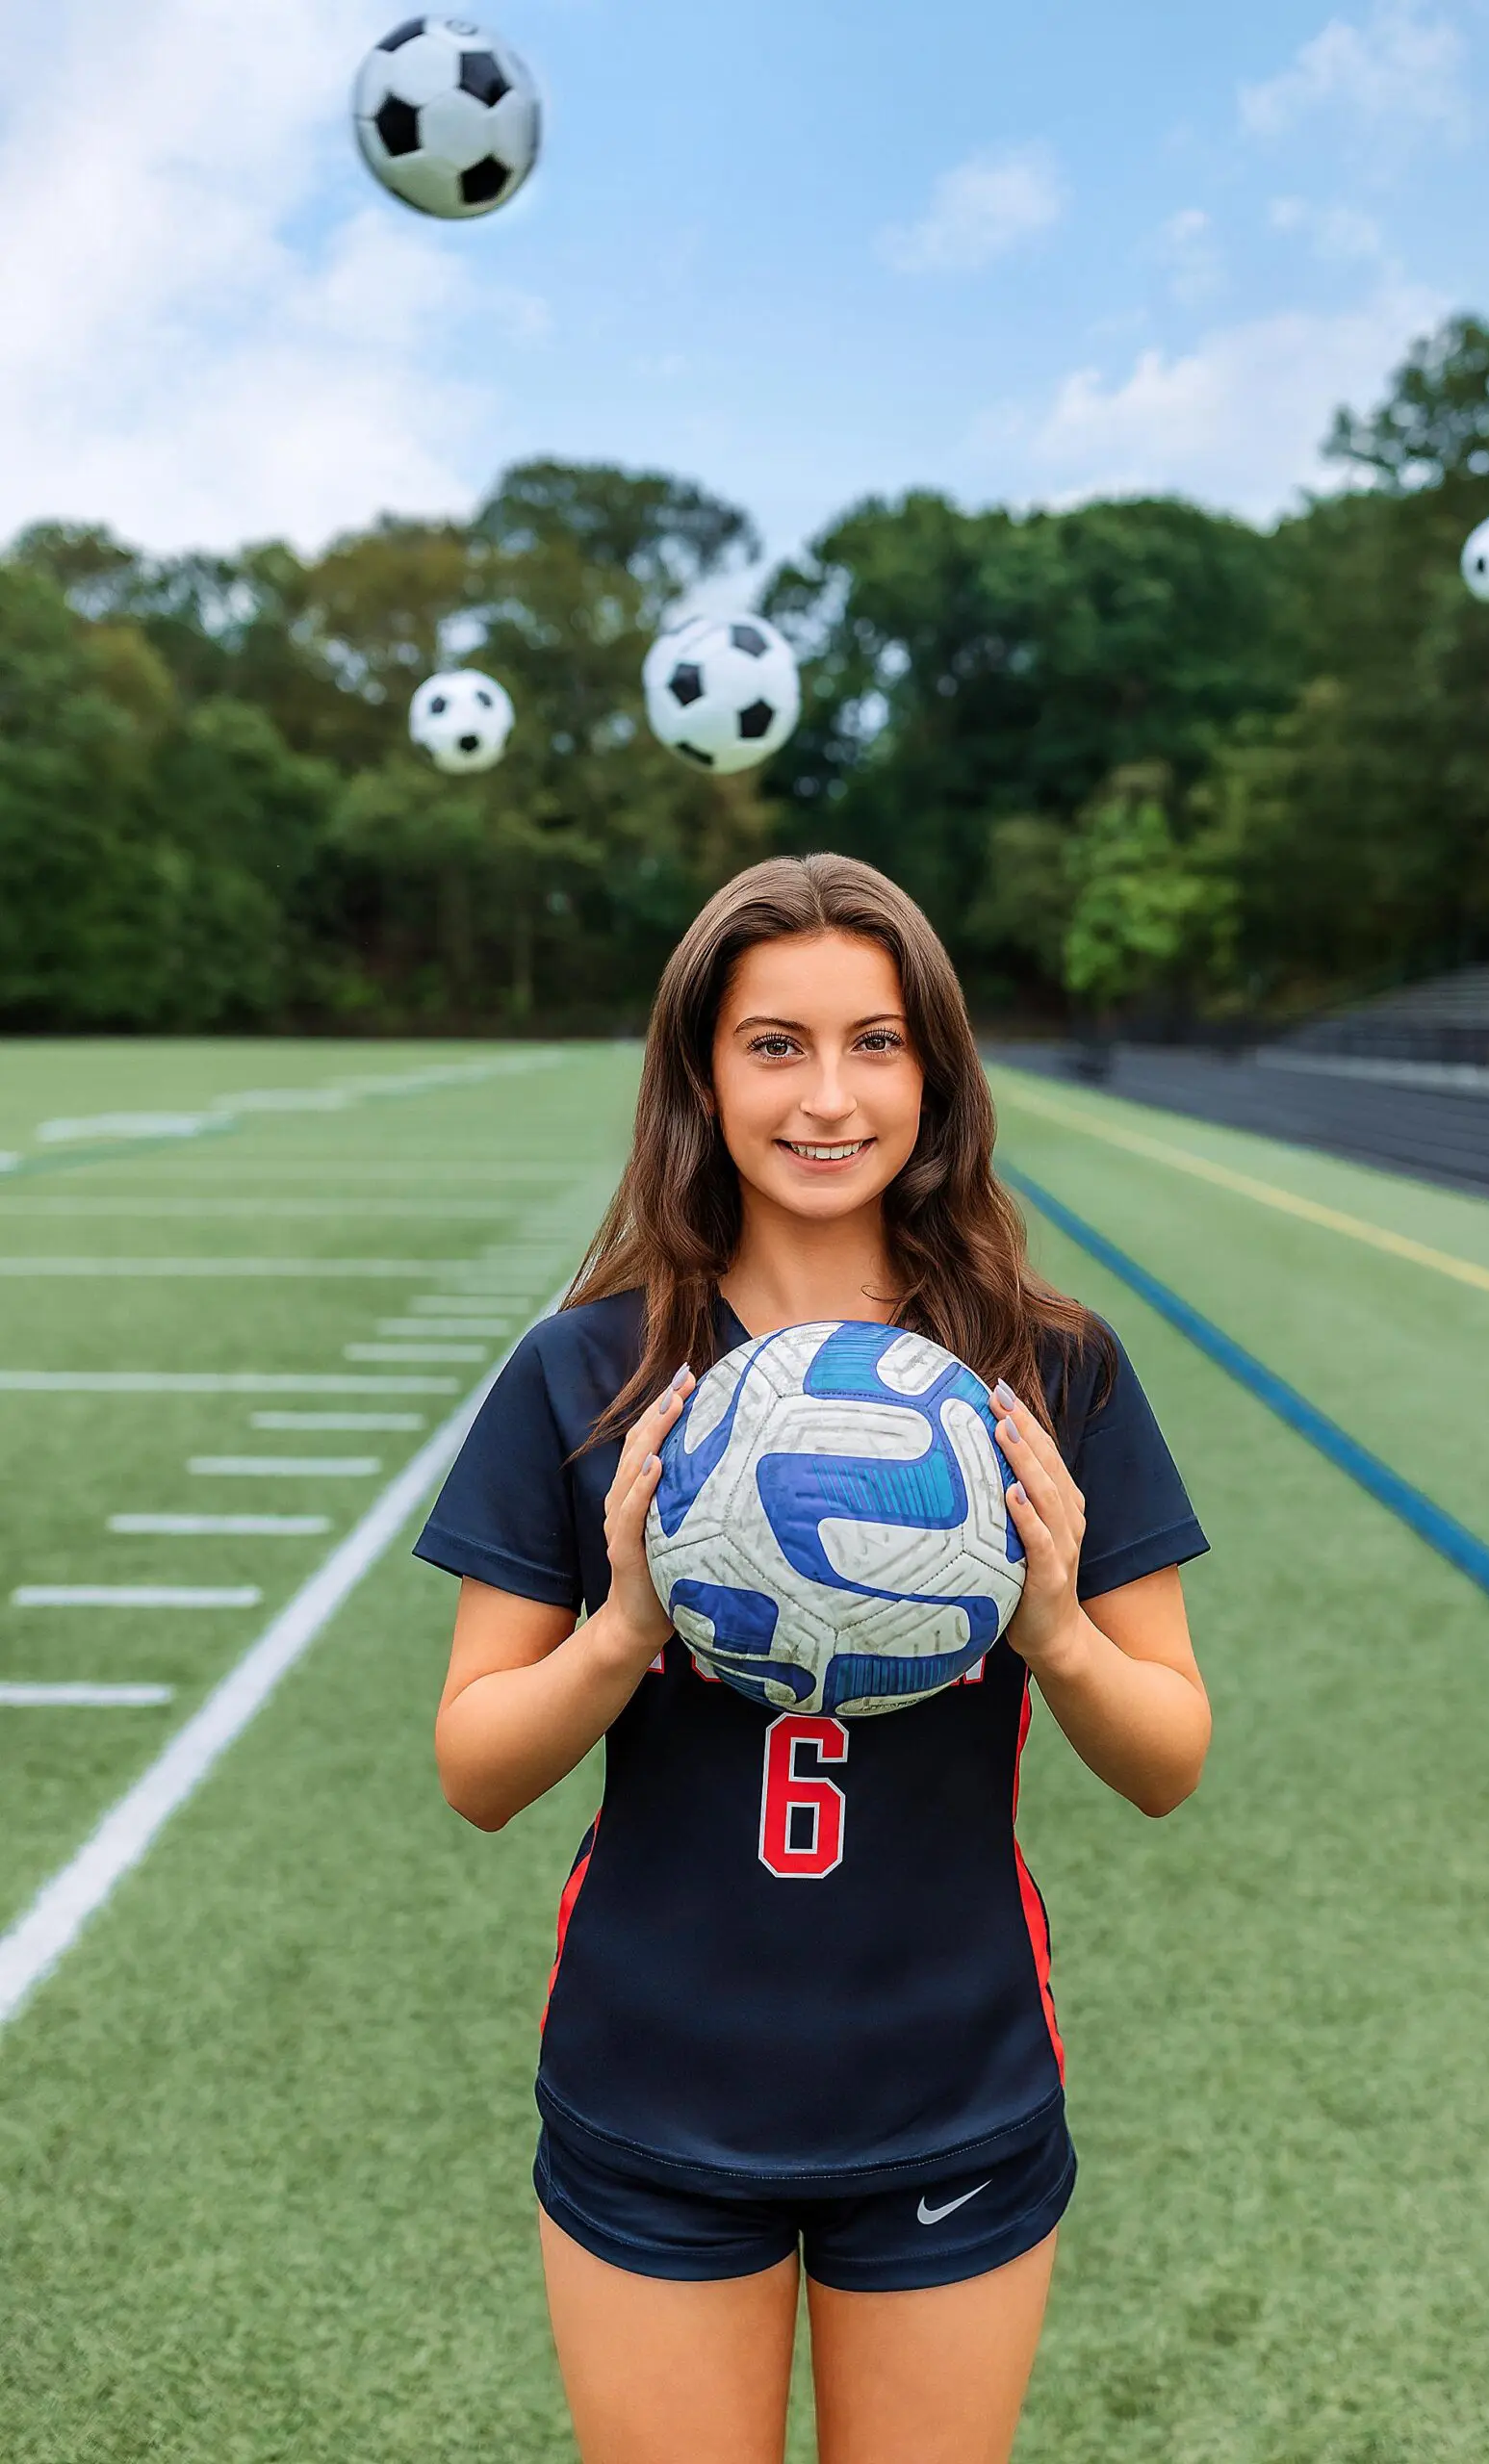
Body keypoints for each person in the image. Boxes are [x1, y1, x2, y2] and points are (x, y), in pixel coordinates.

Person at [416, 854, 1211, 2464]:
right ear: (700, 1075)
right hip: (653, 2086)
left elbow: (1165, 1758)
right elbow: (475, 1769)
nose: (827, 1095)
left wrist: (1052, 1626)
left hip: (950, 2081)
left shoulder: (1045, 1370)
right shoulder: (587, 1370)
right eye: (774, 1043)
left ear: (938, 1072)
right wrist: (626, 1624)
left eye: (877, 1041)